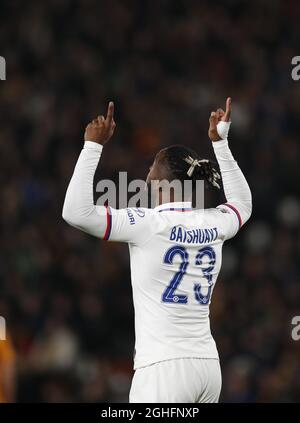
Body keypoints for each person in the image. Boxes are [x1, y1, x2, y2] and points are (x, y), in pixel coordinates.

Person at [62, 98, 252, 403]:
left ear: (159, 179)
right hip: (207, 367)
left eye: (152, 166)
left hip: (164, 369)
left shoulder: (148, 223)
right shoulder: (215, 221)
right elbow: (243, 205)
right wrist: (221, 145)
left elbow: (75, 212)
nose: (147, 173)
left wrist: (91, 147)